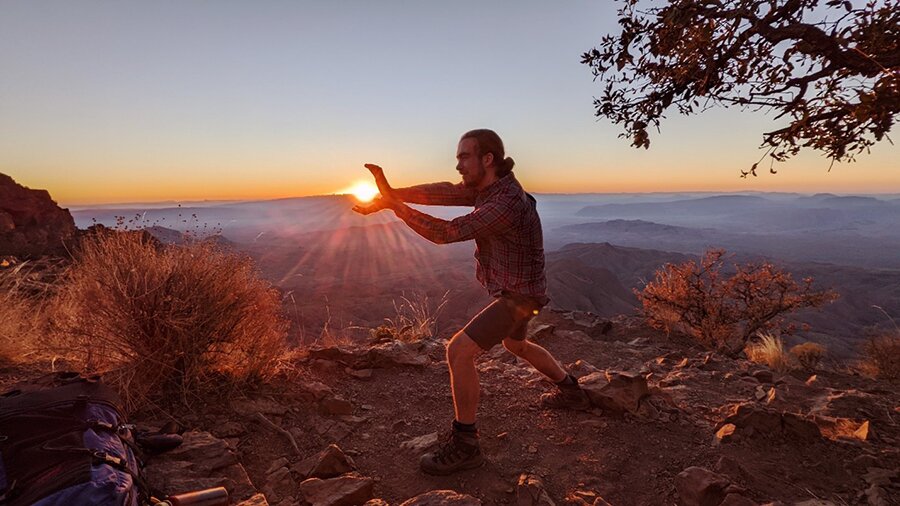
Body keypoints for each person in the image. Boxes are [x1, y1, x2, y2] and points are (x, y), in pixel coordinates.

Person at [353, 129, 590, 476]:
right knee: (516, 345)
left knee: (458, 350)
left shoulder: (505, 203)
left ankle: (466, 444)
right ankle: (572, 391)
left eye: (465, 157)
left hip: (521, 297)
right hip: (525, 291)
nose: (459, 164)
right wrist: (391, 192)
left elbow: (446, 233)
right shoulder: (492, 188)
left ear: (487, 159)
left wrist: (395, 207)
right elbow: (447, 193)